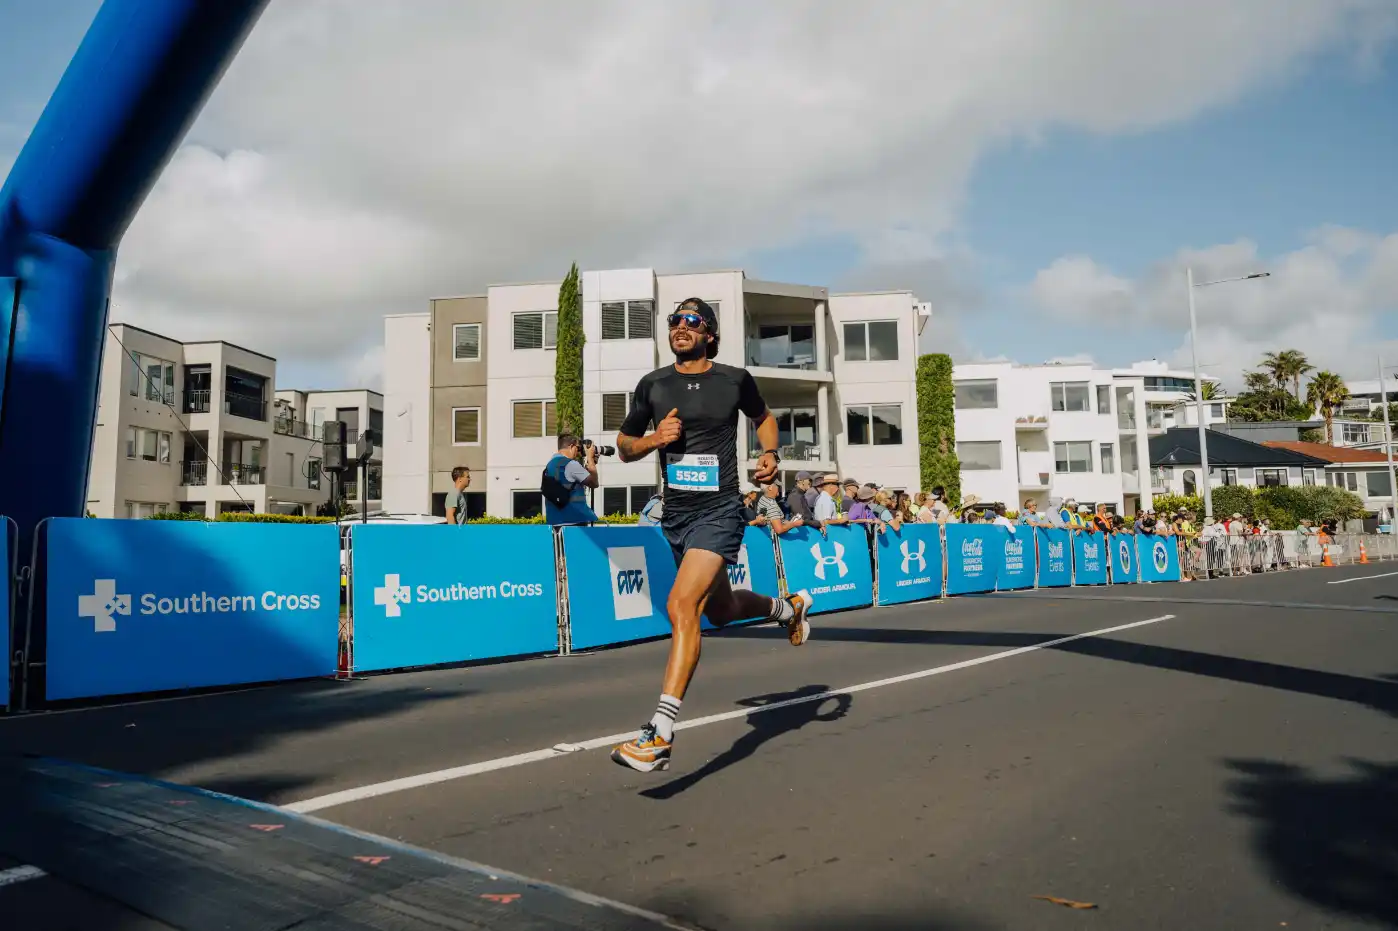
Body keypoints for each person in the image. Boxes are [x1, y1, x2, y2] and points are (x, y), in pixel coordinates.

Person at [609, 297, 814, 773]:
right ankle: (789, 607)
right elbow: (623, 446)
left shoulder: (733, 380)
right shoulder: (653, 385)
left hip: (721, 509)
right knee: (719, 611)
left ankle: (658, 733)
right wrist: (653, 440)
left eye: (692, 321)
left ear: (710, 334)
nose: (680, 328)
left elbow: (763, 417)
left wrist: (770, 455)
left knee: (682, 606)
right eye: (674, 322)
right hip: (675, 515)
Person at [541, 434, 599, 525]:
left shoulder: (550, 465)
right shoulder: (571, 464)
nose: (578, 452)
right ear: (571, 446)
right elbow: (594, 483)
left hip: (555, 522)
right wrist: (591, 459)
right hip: (575, 521)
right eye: (578, 448)